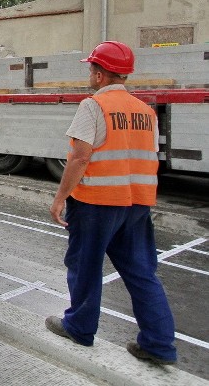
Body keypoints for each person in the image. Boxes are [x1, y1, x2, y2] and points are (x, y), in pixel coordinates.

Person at [46, 41, 177, 365]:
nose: (90, 74)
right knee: (141, 271)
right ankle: (159, 345)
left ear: (100, 74)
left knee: (84, 267)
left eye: (91, 69)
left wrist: (61, 197)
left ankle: (79, 326)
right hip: (136, 203)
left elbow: (79, 158)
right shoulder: (146, 112)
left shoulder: (93, 106)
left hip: (97, 203)